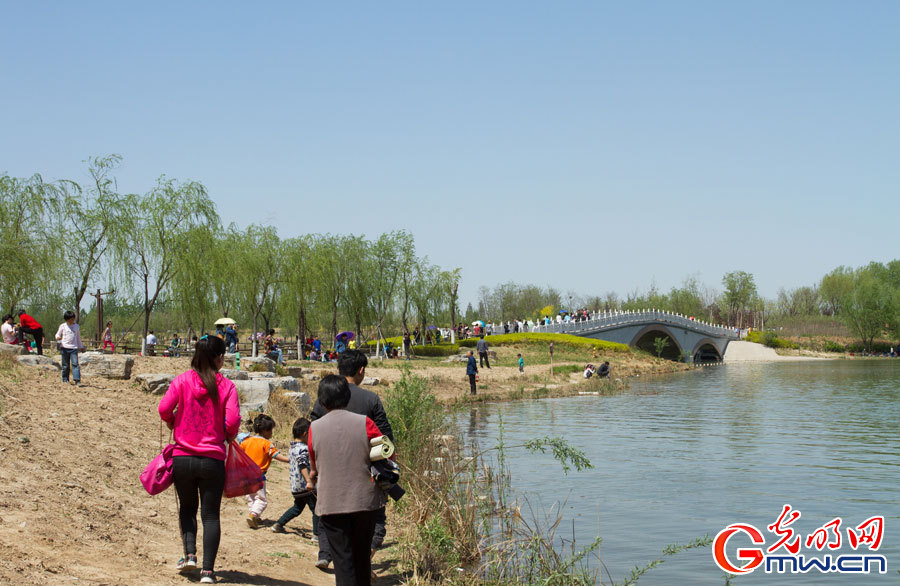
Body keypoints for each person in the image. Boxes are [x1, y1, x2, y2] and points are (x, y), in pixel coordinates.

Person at [158, 335, 241, 584]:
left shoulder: (182, 381)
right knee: (211, 515)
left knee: (187, 508)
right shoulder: (226, 387)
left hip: (183, 457)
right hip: (212, 459)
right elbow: (234, 422)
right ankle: (208, 571)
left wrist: (175, 422)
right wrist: (226, 435)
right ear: (217, 358)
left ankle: (189, 555)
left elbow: (164, 408)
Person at [310, 350, 393, 572]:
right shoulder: (371, 399)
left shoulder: (322, 400)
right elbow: (386, 442)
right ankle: (366, 555)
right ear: (361, 370)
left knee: (328, 515)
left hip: (328, 475)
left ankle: (326, 555)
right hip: (364, 478)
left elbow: (312, 439)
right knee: (374, 518)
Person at [241, 414, 290, 528]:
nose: (272, 434)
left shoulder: (246, 441)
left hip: (245, 476)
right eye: (271, 431)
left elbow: (239, 454)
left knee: (251, 498)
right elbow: (276, 455)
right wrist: (289, 460)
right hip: (258, 476)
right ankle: (253, 515)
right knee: (262, 500)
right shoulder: (266, 444)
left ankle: (254, 517)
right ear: (264, 430)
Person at [271, 418, 316, 535]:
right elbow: (302, 465)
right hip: (306, 486)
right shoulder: (303, 449)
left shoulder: (293, 448)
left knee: (297, 508)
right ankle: (317, 535)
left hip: (296, 487)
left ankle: (279, 524)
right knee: (317, 510)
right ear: (305, 434)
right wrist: (309, 481)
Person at [55, 310, 85, 386]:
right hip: (64, 347)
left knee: (75, 364)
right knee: (65, 365)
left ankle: (77, 380)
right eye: (70, 319)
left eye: (73, 319)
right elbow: (57, 334)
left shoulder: (76, 326)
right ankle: (65, 379)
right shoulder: (63, 326)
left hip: (74, 348)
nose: (72, 321)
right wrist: (58, 337)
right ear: (66, 319)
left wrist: (80, 346)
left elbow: (78, 338)